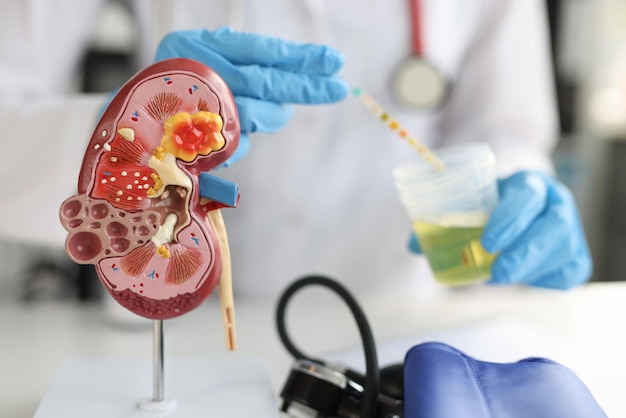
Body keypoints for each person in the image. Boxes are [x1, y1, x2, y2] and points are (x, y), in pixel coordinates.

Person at [0, 0, 591, 300]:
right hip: (175, 318)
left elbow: (503, 132)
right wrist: (130, 139)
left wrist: (517, 192)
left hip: (399, 319)